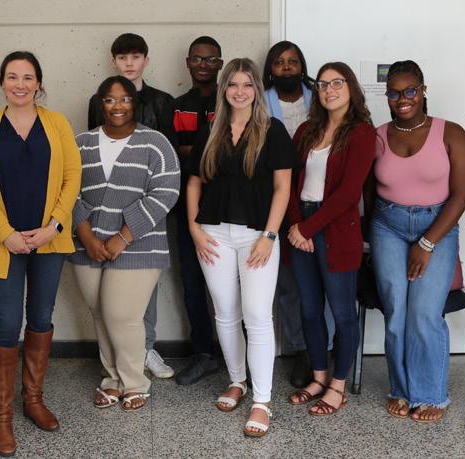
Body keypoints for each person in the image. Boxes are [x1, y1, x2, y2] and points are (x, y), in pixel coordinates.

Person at [0, 50, 81, 457]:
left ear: (38, 83)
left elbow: (72, 176)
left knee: (41, 317)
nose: (20, 84)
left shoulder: (57, 123)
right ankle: (1, 416)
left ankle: (33, 399)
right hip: (6, 243)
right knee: (6, 323)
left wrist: (54, 226)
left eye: (28, 77)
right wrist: (6, 234)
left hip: (49, 240)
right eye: (13, 77)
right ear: (2, 83)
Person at [187, 58, 298, 437]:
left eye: (247, 84)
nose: (240, 91)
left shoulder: (273, 130)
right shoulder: (210, 131)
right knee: (225, 312)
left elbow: (283, 188)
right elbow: (194, 183)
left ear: (256, 90)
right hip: (213, 234)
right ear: (224, 90)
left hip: (257, 236)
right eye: (233, 84)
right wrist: (194, 228)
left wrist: (269, 236)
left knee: (257, 315)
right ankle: (237, 381)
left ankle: (262, 401)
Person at [370, 61, 465, 422]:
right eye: (394, 93)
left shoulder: (450, 133)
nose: (403, 99)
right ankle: (401, 389)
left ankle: (431, 395)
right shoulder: (379, 136)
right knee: (396, 311)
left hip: (438, 226)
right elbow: (368, 192)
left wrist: (427, 243)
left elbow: (462, 194)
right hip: (387, 226)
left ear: (423, 90)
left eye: (410, 90)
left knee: (424, 312)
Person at [73, 76, 179, 412]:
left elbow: (166, 192)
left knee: (122, 315)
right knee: (101, 314)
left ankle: (135, 383)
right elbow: (65, 190)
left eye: (125, 99)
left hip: (139, 245)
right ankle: (112, 379)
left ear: (135, 102)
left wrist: (122, 237)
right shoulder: (81, 143)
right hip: (87, 245)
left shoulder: (156, 143)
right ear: (100, 103)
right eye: (109, 99)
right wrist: (87, 237)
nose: (117, 106)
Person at [286, 62, 375, 416]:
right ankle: (319, 377)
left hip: (337, 228)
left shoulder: (362, 133)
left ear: (351, 88)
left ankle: (338, 385)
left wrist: (308, 228)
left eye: (337, 83)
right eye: (322, 84)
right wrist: (297, 225)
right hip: (302, 226)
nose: (329, 90)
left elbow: (349, 193)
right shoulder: (306, 130)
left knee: (341, 312)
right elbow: (289, 182)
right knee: (309, 309)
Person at [260, 40, 316, 388]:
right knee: (289, 284)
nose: (286, 67)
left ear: (302, 66)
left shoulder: (319, 98)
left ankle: (322, 348)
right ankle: (301, 350)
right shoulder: (260, 101)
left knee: (320, 280)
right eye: (279, 62)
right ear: (270, 68)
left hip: (316, 201)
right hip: (275, 202)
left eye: (292, 61)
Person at [170, 36, 224, 386]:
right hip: (186, 207)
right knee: (192, 284)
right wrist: (209, 149)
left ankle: (240, 356)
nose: (203, 65)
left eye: (210, 59)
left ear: (221, 64)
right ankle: (204, 354)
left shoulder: (231, 100)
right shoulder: (177, 106)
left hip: (228, 206)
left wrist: (196, 149)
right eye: (197, 59)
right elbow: (173, 151)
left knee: (231, 286)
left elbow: (231, 150)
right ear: (188, 62)